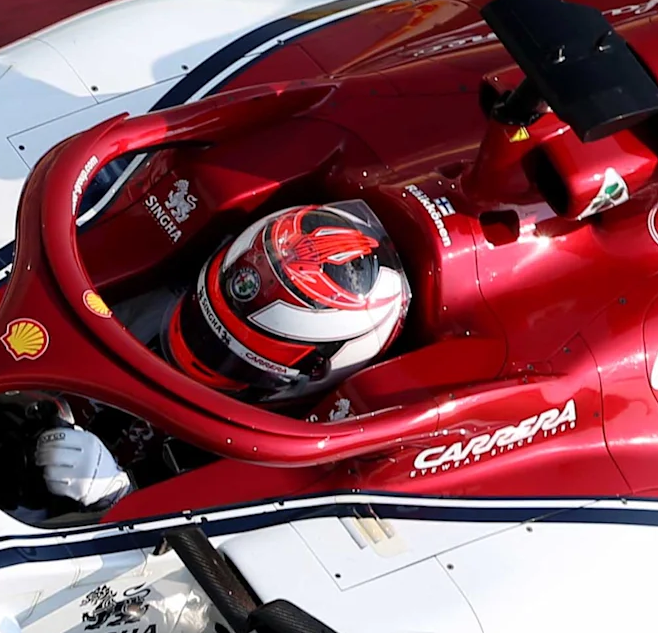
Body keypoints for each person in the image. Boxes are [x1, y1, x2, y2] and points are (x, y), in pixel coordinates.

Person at [31, 199, 411, 509]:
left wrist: (113, 494)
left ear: (313, 369)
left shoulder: (280, 453)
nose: (196, 347)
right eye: (203, 320)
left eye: (232, 355)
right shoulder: (157, 299)